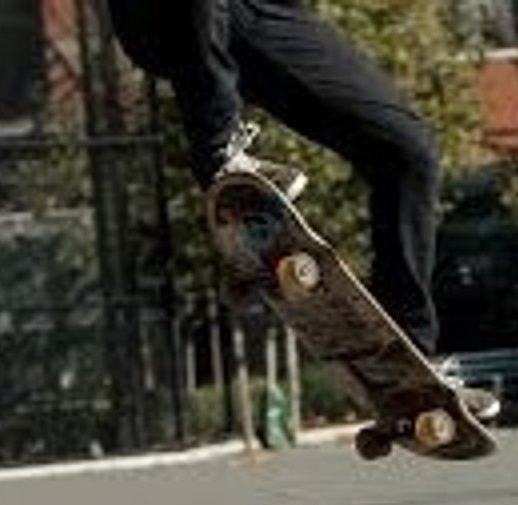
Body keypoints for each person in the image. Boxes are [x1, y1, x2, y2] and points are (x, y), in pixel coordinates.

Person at [107, 0, 498, 420]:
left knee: (407, 154)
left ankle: (403, 360)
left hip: (263, 13)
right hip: (169, 16)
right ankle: (219, 151)